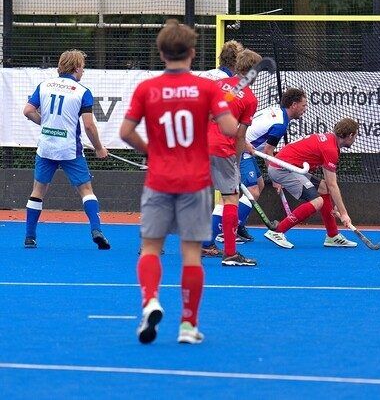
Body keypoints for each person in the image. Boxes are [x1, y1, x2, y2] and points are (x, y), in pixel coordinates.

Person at [120, 19, 238, 345]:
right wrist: (227, 107)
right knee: (191, 255)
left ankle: (150, 302)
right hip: (195, 182)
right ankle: (188, 325)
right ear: (193, 52)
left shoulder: (147, 89)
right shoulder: (208, 89)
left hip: (159, 178)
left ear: (161, 53)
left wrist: (152, 151)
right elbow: (229, 129)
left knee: (151, 248)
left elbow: (125, 132)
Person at [22, 49, 110, 250]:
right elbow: (89, 126)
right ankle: (96, 230)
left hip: (46, 147)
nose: (83, 72)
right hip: (69, 149)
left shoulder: (43, 86)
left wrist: (44, 122)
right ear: (77, 68)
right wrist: (99, 148)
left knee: (38, 191)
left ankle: (30, 237)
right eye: (83, 68)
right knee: (86, 190)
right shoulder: (82, 91)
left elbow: (28, 110)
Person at [264, 118, 360, 249]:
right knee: (317, 201)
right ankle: (278, 231)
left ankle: (333, 236)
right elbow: (333, 184)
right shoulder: (330, 149)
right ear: (350, 135)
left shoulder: (329, 140)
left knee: (324, 188)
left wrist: (339, 206)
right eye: (355, 136)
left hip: (289, 167)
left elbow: (329, 185)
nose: (355, 139)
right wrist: (344, 214)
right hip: (282, 169)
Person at [202, 48, 259, 266]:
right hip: (223, 150)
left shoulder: (217, 85)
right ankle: (231, 253)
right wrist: (236, 163)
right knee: (230, 199)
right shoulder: (250, 98)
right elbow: (240, 135)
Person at [236, 87, 308, 235]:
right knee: (252, 191)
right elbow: (267, 151)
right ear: (294, 105)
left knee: (260, 184)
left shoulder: (277, 111)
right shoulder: (280, 125)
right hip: (239, 148)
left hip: (247, 149)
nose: (304, 109)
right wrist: (276, 178)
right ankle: (230, 229)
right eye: (303, 105)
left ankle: (239, 224)